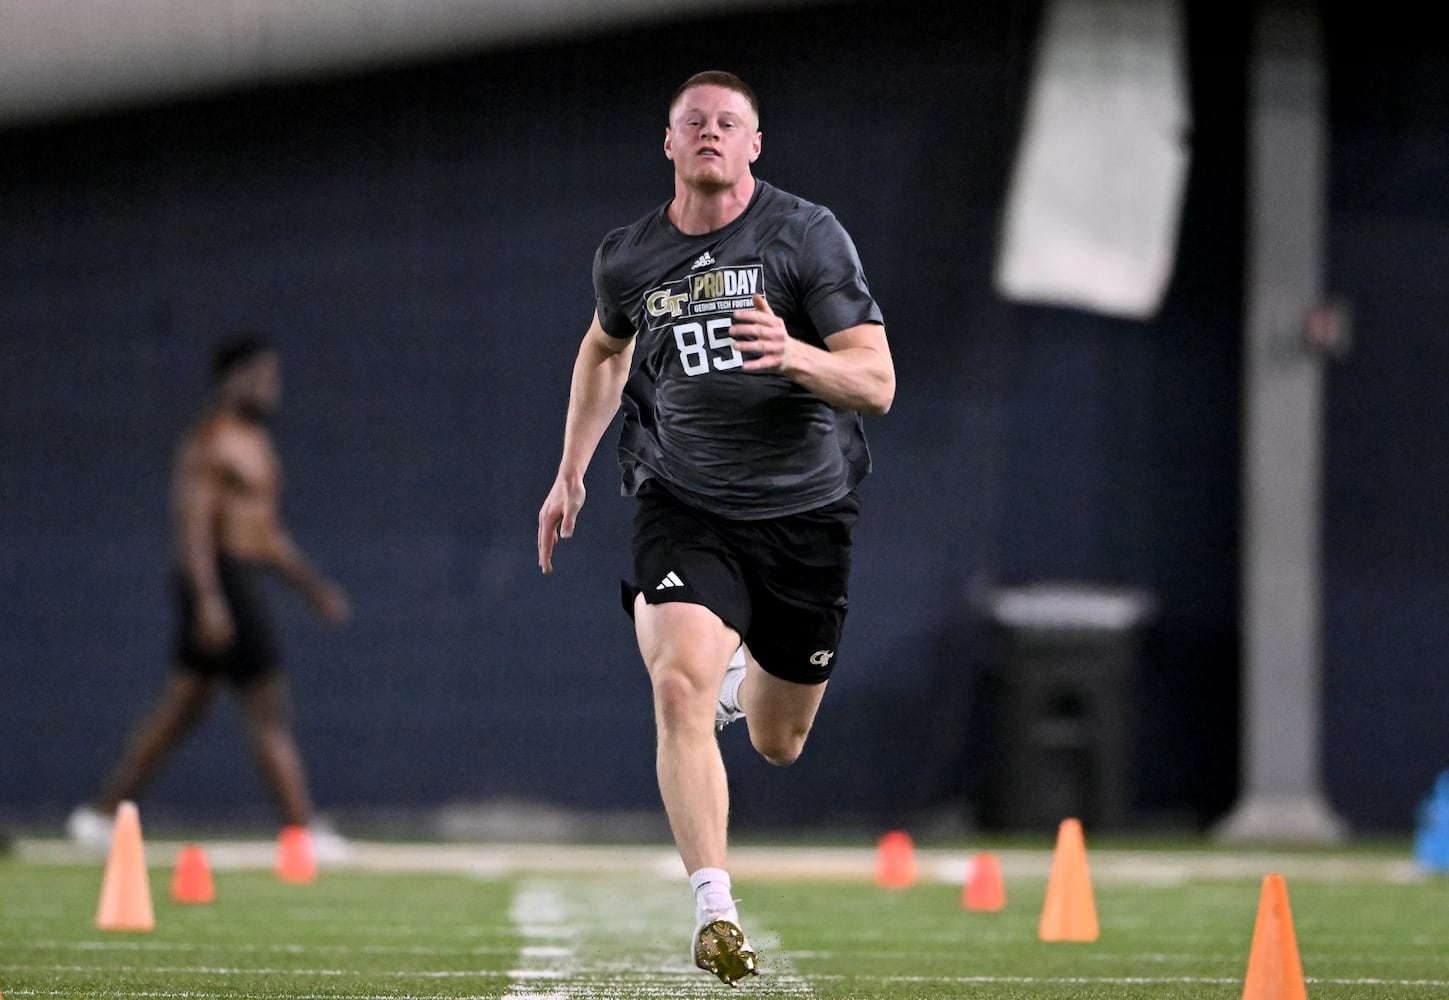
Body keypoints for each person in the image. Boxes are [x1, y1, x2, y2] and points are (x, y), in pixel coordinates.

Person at [537, 70, 894, 985]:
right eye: (692, 121)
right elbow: (602, 349)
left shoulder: (804, 234)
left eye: (727, 122)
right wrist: (571, 467)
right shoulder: (627, 257)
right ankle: (715, 910)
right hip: (681, 502)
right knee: (673, 686)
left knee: (779, 740)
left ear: (753, 144)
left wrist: (794, 353)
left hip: (804, 516)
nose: (708, 132)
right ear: (667, 143)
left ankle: (738, 690)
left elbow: (877, 383)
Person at [67, 335, 352, 858]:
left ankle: (100, 815)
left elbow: (267, 534)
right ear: (232, 378)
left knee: (180, 711)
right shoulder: (212, 442)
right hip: (222, 582)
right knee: (268, 708)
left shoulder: (257, 444)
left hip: (239, 577)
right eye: (261, 377)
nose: (271, 388)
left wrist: (312, 588)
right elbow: (193, 525)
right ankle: (302, 830)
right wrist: (208, 598)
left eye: (274, 377)